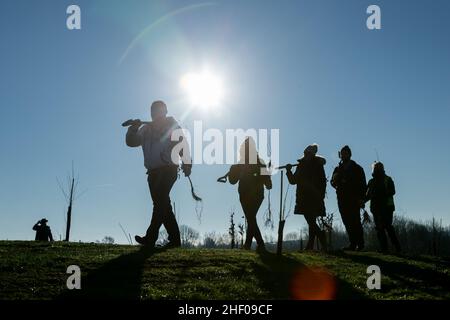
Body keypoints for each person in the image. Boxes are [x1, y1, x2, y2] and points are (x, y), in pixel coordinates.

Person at [126, 100, 191, 249]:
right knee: (163, 206)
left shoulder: (173, 127)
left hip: (168, 169)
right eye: (153, 110)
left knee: (160, 202)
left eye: (158, 110)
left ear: (165, 111)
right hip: (152, 172)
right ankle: (175, 241)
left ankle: (150, 237)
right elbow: (131, 142)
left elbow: (183, 145)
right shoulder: (145, 128)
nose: (155, 113)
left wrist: (187, 164)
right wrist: (133, 129)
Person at [227, 137, 272, 252]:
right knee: (251, 218)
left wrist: (267, 180)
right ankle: (248, 245)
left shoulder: (255, 163)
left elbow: (267, 181)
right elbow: (233, 180)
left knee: (251, 218)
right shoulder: (242, 165)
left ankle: (260, 244)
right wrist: (233, 171)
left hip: (253, 194)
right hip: (247, 194)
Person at [286, 144, 327, 251]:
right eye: (305, 153)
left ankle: (321, 240)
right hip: (303, 197)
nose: (305, 155)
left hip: (314, 197)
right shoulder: (301, 165)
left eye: (307, 153)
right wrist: (289, 171)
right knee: (311, 222)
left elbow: (322, 182)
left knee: (311, 221)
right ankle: (311, 245)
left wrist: (320, 195)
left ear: (312, 154)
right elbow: (293, 181)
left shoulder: (317, 165)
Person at [331, 145, 367, 251]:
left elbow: (363, 185)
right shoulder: (337, 169)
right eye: (342, 153)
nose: (343, 155)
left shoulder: (357, 168)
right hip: (342, 198)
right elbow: (332, 182)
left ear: (350, 154)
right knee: (346, 221)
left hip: (354, 198)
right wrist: (336, 183)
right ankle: (352, 243)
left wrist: (361, 198)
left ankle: (360, 244)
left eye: (345, 153)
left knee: (355, 221)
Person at [365, 162, 401, 253]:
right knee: (380, 228)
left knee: (387, 227)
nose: (376, 169)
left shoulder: (387, 179)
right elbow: (368, 195)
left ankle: (397, 248)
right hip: (376, 208)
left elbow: (392, 191)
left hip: (387, 208)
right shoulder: (371, 181)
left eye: (378, 168)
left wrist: (380, 194)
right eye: (375, 168)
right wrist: (362, 201)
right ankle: (385, 249)